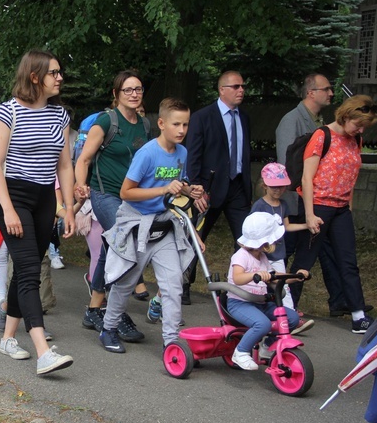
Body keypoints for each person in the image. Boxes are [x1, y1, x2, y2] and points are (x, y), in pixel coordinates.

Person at [0, 49, 75, 375]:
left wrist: (66, 208)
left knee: (26, 269)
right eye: (54, 72)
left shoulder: (60, 115)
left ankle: (8, 338)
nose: (60, 77)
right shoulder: (7, 112)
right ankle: (43, 350)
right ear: (35, 76)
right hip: (15, 198)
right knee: (29, 272)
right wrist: (8, 209)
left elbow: (64, 165)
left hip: (44, 201)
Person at [98, 98, 203, 353]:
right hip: (137, 225)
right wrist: (164, 189)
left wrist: (191, 190)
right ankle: (108, 329)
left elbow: (178, 183)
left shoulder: (182, 152)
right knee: (125, 283)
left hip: (163, 225)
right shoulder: (147, 153)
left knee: (173, 284)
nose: (181, 130)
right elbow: (126, 192)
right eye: (176, 124)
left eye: (185, 124)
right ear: (161, 124)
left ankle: (172, 342)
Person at [289, 95, 377, 334]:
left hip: (341, 210)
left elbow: (352, 174)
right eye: (358, 124)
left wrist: (349, 205)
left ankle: (359, 315)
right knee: (305, 260)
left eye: (364, 127)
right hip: (318, 206)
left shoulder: (355, 139)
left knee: (348, 262)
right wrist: (309, 214)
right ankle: (286, 310)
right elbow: (307, 177)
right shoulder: (322, 136)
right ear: (346, 115)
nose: (360, 130)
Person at [74, 70, 150, 340]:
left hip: (131, 196)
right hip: (104, 195)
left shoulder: (144, 125)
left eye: (138, 89)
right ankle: (113, 314)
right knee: (124, 243)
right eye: (128, 90)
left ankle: (95, 308)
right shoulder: (106, 122)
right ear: (116, 94)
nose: (134, 94)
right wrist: (80, 185)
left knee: (110, 246)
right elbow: (83, 160)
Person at [275, 73, 355, 317]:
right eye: (327, 89)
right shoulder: (292, 121)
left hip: (318, 200)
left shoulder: (319, 120)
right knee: (291, 252)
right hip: (298, 200)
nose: (331, 93)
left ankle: (339, 300)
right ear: (311, 93)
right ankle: (282, 303)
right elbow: (290, 164)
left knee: (325, 249)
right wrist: (305, 195)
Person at [184, 70, 252, 300]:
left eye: (242, 86)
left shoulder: (243, 117)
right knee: (196, 238)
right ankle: (183, 285)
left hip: (238, 188)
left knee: (246, 238)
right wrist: (195, 189)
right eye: (235, 86)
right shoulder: (203, 117)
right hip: (207, 189)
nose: (241, 90)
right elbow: (193, 155)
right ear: (222, 90)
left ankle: (237, 288)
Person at [226, 212, 305, 370]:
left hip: (260, 303)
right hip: (240, 303)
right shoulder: (241, 256)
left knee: (292, 318)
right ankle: (240, 352)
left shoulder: (262, 257)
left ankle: (268, 346)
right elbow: (238, 278)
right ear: (265, 241)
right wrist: (255, 275)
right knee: (262, 324)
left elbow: (275, 278)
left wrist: (295, 276)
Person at [251, 162, 314, 334]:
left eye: (281, 187)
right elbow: (252, 230)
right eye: (273, 187)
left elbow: (285, 227)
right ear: (265, 185)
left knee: (283, 285)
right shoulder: (259, 206)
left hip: (278, 255)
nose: (277, 190)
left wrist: (305, 226)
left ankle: (290, 318)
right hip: (262, 255)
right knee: (263, 286)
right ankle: (263, 316)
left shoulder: (283, 205)